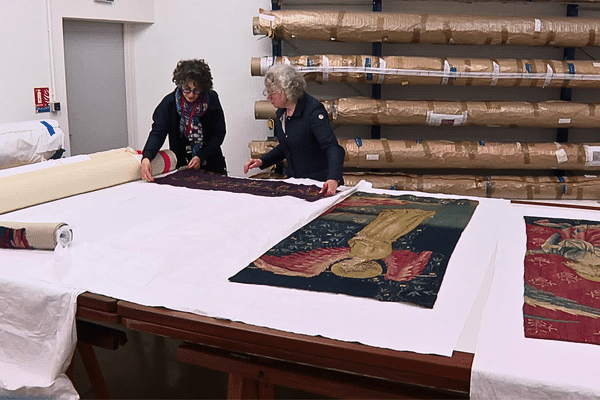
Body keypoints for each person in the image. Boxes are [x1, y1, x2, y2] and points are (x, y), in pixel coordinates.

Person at [243, 64, 345, 197]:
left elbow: (333, 147)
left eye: (271, 93)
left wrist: (333, 178)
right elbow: (288, 144)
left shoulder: (313, 111)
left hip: (319, 184)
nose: (268, 97)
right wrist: (262, 161)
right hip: (296, 183)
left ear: (286, 92)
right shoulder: (282, 112)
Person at [141, 59, 227, 182]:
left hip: (212, 164)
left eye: (196, 89)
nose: (191, 94)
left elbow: (219, 134)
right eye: (187, 89)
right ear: (180, 84)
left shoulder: (211, 100)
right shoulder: (169, 103)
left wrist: (200, 156)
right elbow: (158, 132)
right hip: (182, 165)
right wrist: (147, 157)